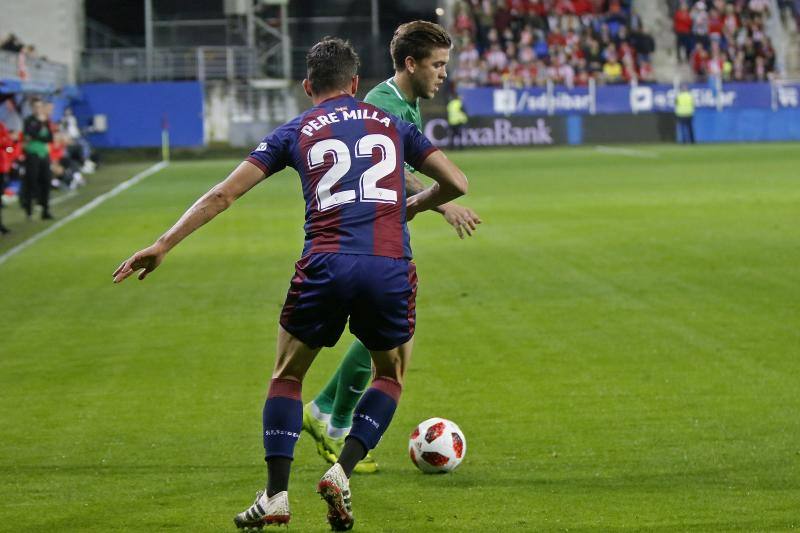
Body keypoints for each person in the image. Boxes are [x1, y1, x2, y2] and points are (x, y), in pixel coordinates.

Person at [112, 37, 468, 530]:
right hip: (388, 264)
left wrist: (163, 244)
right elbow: (457, 184)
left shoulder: (295, 129)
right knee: (389, 375)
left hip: (325, 263)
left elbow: (223, 195)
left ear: (307, 87)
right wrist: (413, 205)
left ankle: (277, 496)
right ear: (356, 84)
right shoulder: (392, 123)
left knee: (287, 376)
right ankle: (342, 471)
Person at [301, 20, 482, 474]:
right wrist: (440, 206)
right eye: (437, 65)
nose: (443, 74)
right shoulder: (384, 104)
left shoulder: (404, 102)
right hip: (366, 239)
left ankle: (325, 409)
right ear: (410, 63)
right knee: (386, 336)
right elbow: (391, 169)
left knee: (383, 335)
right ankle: (335, 420)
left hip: (375, 237)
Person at [21, 98, 54, 220]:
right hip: (32, 154)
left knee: (46, 181)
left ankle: (45, 210)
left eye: (40, 106)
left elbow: (49, 138)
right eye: (35, 107)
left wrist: (42, 127)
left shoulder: (46, 120)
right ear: (32, 108)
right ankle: (28, 210)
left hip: (44, 154)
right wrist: (40, 125)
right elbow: (30, 134)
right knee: (31, 181)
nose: (38, 109)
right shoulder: (29, 121)